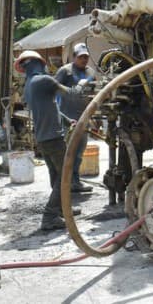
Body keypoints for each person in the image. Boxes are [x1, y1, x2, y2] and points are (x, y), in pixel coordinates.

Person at [18, 49, 86, 231]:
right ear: (39, 64)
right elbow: (72, 93)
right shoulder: (45, 80)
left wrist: (66, 120)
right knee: (65, 175)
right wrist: (83, 82)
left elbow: (50, 107)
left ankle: (63, 209)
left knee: (56, 176)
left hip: (42, 139)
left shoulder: (29, 85)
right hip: (54, 138)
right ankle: (49, 216)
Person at [54, 43, 95, 193]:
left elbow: (94, 94)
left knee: (78, 153)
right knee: (68, 152)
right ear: (73, 57)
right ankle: (63, 183)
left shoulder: (90, 72)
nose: (84, 60)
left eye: (86, 57)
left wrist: (94, 117)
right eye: (81, 57)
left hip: (84, 118)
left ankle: (74, 182)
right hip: (68, 119)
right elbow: (54, 88)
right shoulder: (65, 71)